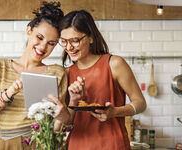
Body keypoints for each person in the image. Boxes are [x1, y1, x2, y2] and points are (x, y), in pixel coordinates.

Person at [47, 10, 146, 150]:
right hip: (77, 145)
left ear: (91, 37)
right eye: (63, 41)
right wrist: (73, 101)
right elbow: (68, 121)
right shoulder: (67, 73)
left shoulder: (114, 64)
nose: (69, 47)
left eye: (75, 40)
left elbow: (141, 103)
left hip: (112, 145)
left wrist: (115, 112)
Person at [0, 1, 67, 150]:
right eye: (40, 37)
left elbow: (59, 124)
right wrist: (9, 93)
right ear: (29, 30)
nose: (43, 47)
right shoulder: (0, 67)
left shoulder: (57, 73)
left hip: (42, 143)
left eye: (51, 43)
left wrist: (62, 115)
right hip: (6, 144)